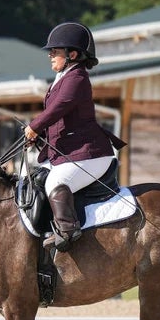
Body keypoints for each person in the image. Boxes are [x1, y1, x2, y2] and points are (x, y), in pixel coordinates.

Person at [24, 21, 126, 252]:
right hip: (73, 153)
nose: (50, 54)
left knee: (56, 182)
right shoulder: (63, 77)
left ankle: (68, 230)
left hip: (90, 155)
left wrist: (35, 126)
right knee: (31, 178)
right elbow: (62, 123)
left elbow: (59, 107)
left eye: (56, 51)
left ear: (73, 54)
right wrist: (38, 137)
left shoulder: (77, 77)